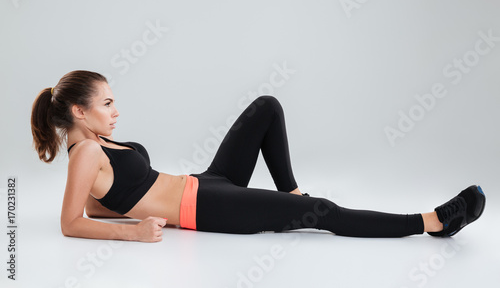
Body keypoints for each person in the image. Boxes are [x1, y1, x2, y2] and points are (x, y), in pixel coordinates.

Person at [31, 70, 486, 243]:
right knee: (321, 213)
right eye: (107, 103)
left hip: (204, 182)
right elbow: (71, 222)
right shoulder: (86, 150)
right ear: (79, 111)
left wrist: (124, 209)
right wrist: (132, 234)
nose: (115, 110)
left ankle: (292, 191)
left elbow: (95, 204)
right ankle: (434, 222)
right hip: (204, 209)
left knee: (267, 106)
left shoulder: (96, 150)